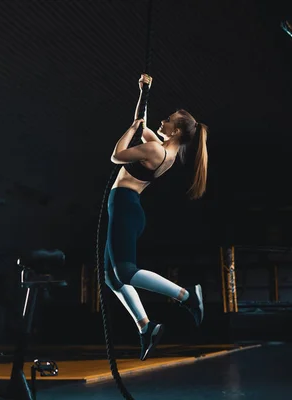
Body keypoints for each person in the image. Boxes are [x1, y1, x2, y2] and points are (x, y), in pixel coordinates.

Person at [104, 73, 208, 361]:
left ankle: (186, 296)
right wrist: (143, 93)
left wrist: (131, 127)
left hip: (125, 206)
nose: (162, 121)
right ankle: (146, 327)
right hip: (126, 207)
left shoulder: (155, 149)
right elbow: (144, 123)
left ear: (174, 131)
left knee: (124, 272)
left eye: (168, 119)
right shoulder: (165, 152)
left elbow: (117, 155)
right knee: (112, 279)